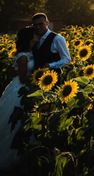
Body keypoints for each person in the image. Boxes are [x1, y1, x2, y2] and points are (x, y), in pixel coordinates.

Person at [0, 26, 37, 171]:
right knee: (15, 122)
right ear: (29, 38)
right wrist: (39, 77)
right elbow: (22, 78)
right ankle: (14, 154)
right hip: (20, 90)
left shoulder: (29, 52)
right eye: (34, 36)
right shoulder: (23, 56)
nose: (36, 38)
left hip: (24, 88)